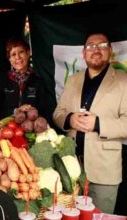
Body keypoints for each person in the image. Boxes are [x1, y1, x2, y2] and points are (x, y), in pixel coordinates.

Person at [53, 31, 127, 213]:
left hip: (104, 171)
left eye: (102, 46)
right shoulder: (72, 80)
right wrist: (69, 119)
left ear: (110, 50)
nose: (96, 50)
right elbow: (58, 113)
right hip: (71, 169)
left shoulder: (123, 81)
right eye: (91, 46)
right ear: (83, 53)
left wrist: (98, 124)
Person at [0, 37, 50, 121]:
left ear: (28, 53)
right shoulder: (2, 81)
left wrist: (31, 112)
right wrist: (16, 111)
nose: (18, 57)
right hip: (8, 129)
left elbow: (45, 112)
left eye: (21, 52)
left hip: (31, 129)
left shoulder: (38, 81)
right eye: (13, 54)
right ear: (9, 59)